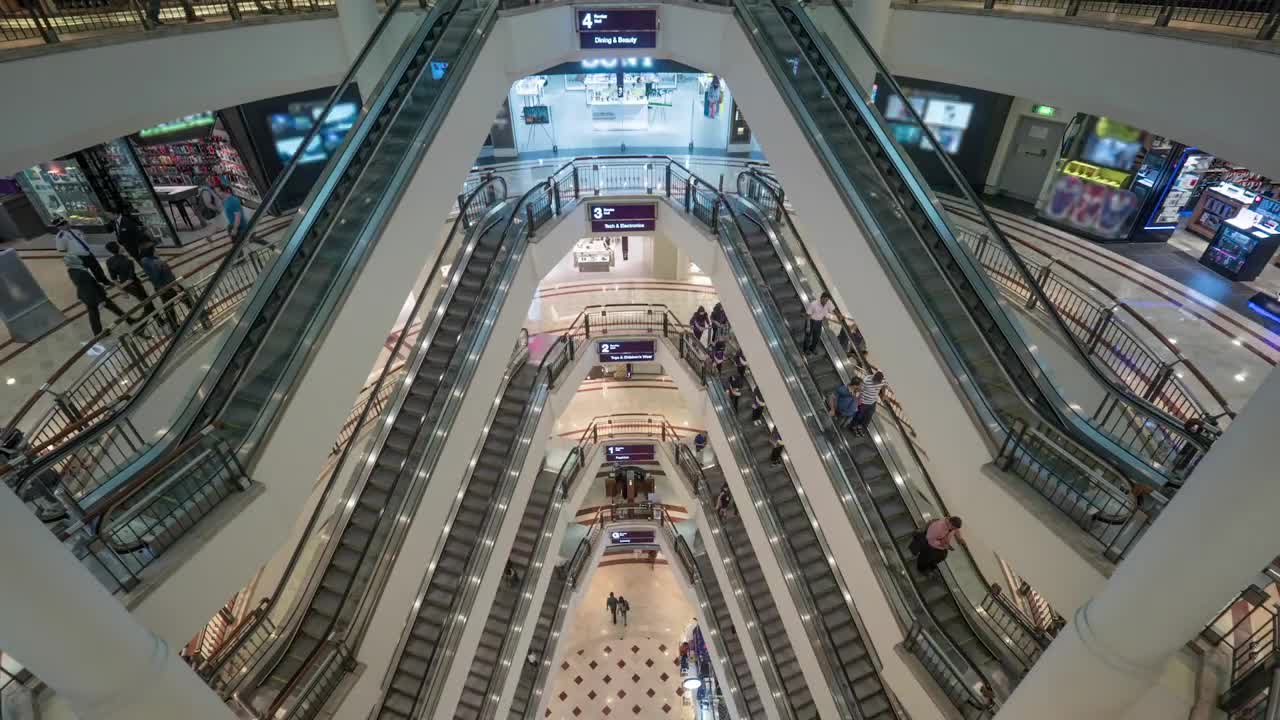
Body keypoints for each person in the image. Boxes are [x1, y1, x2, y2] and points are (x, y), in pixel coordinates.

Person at [139, 248, 205, 333]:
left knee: (168, 308)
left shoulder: (145, 262)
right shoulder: (160, 263)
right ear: (151, 252)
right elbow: (169, 278)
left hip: (160, 289)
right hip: (170, 287)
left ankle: (174, 327)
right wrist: (177, 288)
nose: (157, 251)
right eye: (155, 250)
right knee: (187, 299)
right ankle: (199, 313)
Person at [66, 255, 126, 337]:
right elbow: (90, 287)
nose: (80, 260)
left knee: (94, 315)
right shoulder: (81, 272)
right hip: (95, 296)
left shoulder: (71, 270)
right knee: (113, 308)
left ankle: (98, 333)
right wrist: (100, 300)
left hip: (86, 296)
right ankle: (128, 319)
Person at [53, 217, 108, 285]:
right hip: (78, 257)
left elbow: (84, 239)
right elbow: (61, 249)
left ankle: (104, 281)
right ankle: (93, 286)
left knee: (97, 269)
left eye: (66, 223)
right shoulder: (60, 237)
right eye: (63, 224)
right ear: (59, 227)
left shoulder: (76, 231)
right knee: (85, 273)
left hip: (88, 253)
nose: (66, 225)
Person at [104, 242, 156, 313]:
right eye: (120, 245)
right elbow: (130, 279)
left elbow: (114, 278)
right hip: (135, 285)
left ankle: (158, 320)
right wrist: (122, 287)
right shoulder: (128, 260)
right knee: (147, 302)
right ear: (118, 248)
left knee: (145, 301)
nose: (122, 246)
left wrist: (122, 290)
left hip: (126, 285)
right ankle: (155, 318)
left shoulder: (109, 261)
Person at [851, 371, 886, 435]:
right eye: (876, 382)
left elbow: (884, 386)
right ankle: (853, 426)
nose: (876, 384)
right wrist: (858, 399)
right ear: (874, 378)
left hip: (873, 402)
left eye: (878, 383)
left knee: (868, 417)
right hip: (863, 402)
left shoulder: (883, 380)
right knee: (859, 416)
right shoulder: (866, 380)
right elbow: (859, 390)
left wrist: (883, 395)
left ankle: (861, 428)